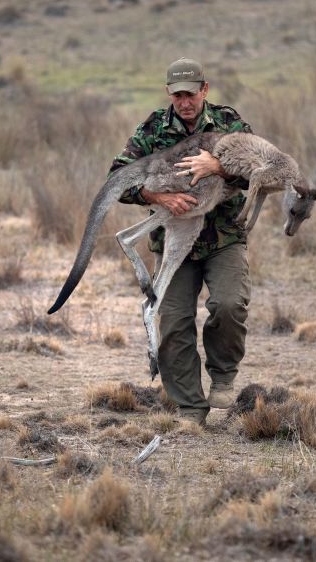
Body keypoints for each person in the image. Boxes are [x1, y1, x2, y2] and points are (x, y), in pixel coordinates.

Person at [109, 57, 252, 426]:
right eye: (177, 96)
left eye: (191, 94)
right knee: (173, 322)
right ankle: (190, 408)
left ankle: (223, 378)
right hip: (174, 240)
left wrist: (217, 167)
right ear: (168, 94)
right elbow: (118, 179)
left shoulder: (229, 123)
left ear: (205, 89)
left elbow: (258, 174)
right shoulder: (153, 128)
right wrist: (159, 199)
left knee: (228, 305)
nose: (184, 102)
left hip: (223, 236)